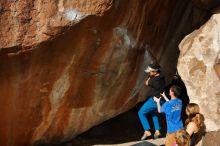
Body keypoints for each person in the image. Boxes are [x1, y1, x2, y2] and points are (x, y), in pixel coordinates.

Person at [138, 64, 166, 140]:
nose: (148, 73)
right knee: (154, 113)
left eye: (150, 72)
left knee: (141, 113)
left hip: (154, 100)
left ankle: (147, 131)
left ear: (155, 72)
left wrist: (150, 77)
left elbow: (146, 83)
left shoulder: (153, 80)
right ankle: (157, 131)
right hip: (161, 100)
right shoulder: (162, 76)